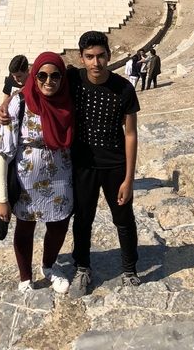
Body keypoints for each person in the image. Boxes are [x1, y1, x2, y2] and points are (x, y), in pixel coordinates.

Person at [0, 52, 74, 293]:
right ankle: (25, 277)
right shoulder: (19, 103)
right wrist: (2, 197)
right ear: (34, 75)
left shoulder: (68, 100)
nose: (48, 81)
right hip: (27, 179)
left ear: (62, 78)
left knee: (59, 226)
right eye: (42, 75)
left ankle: (48, 266)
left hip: (61, 176)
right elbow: (3, 150)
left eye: (55, 76)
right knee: (25, 228)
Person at [67, 31, 140, 294]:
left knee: (123, 219)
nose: (96, 63)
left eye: (100, 56)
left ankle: (130, 270)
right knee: (83, 219)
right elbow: (38, 81)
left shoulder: (124, 89)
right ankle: (82, 268)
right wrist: (8, 101)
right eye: (89, 57)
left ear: (109, 56)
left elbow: (130, 134)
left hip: (115, 165)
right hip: (83, 164)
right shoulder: (74, 80)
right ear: (81, 58)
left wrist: (129, 179)